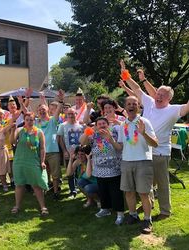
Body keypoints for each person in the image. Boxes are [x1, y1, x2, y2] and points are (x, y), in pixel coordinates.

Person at [121, 61, 189, 220]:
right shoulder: (149, 102)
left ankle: (165, 211)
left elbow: (187, 107)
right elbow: (137, 89)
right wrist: (125, 74)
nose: (158, 96)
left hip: (160, 152)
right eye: (157, 93)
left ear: (169, 98)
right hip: (144, 151)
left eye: (162, 95)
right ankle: (148, 205)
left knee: (162, 183)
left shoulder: (173, 110)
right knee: (146, 182)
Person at [106, 96, 158, 234]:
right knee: (128, 191)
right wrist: (111, 139)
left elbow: (155, 143)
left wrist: (144, 133)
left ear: (138, 106)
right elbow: (120, 146)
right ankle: (133, 215)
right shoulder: (123, 125)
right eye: (128, 104)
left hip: (143, 161)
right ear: (125, 106)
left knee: (143, 193)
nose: (131, 106)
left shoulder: (144, 121)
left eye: (134, 103)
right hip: (127, 161)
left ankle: (147, 219)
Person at [80, 117, 125, 225]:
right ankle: (105, 209)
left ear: (107, 124)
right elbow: (82, 141)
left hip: (114, 169)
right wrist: (88, 131)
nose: (102, 125)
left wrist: (110, 139)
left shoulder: (114, 133)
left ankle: (120, 214)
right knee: (103, 192)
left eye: (103, 123)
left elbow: (119, 148)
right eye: (99, 124)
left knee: (116, 193)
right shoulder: (94, 136)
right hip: (99, 170)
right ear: (96, 126)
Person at [10, 112, 49, 215]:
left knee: (36, 185)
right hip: (19, 161)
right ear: (24, 120)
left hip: (33, 161)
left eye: (31, 120)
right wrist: (13, 129)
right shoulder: (19, 130)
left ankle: (43, 207)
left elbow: (42, 148)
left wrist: (42, 161)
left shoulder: (39, 132)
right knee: (19, 185)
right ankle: (17, 206)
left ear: (34, 120)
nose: (29, 122)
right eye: (27, 120)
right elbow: (12, 141)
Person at [34, 90, 64, 199]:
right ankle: (45, 189)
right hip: (40, 152)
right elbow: (25, 112)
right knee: (43, 173)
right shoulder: (36, 122)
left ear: (48, 110)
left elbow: (59, 110)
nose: (42, 111)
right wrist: (23, 102)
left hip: (53, 151)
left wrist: (60, 100)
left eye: (44, 109)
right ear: (37, 112)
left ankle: (56, 192)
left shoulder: (52, 120)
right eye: (40, 110)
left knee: (55, 174)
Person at [57, 108, 84, 198]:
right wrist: (64, 151)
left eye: (73, 113)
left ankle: (79, 187)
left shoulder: (81, 126)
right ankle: (72, 190)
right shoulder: (62, 125)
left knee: (79, 171)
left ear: (76, 114)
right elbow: (60, 139)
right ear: (66, 115)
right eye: (69, 114)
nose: (71, 115)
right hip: (69, 153)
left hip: (80, 153)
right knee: (70, 171)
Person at [66, 145, 98, 209]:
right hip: (89, 184)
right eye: (78, 154)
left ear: (87, 154)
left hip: (97, 185)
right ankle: (90, 200)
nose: (79, 156)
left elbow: (88, 175)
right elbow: (69, 174)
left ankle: (99, 200)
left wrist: (88, 159)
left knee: (87, 188)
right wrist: (71, 159)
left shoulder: (91, 161)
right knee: (79, 182)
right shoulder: (78, 161)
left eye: (82, 154)